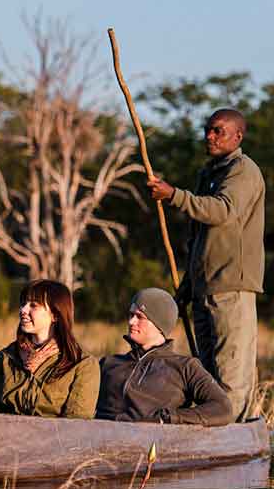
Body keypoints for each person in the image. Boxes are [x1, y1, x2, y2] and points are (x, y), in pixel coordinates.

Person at [147, 108, 265, 422]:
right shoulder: (208, 174)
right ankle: (209, 432)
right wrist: (187, 287)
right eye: (207, 130)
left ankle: (233, 438)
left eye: (218, 131)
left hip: (231, 289)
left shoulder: (243, 171)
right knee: (206, 375)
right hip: (203, 290)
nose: (209, 137)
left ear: (238, 136)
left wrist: (173, 195)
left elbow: (223, 211)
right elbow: (201, 238)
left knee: (230, 373)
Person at [95, 288, 232, 425]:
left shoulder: (185, 367)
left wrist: (167, 418)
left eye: (139, 316)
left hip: (150, 444)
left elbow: (223, 408)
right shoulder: (108, 363)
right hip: (99, 442)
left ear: (159, 324)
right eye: (131, 315)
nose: (131, 322)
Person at [0, 279, 99, 418]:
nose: (23, 310)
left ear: (55, 315)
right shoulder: (6, 358)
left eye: (33, 305)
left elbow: (75, 426)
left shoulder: (82, 365)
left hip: (54, 439)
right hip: (7, 437)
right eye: (23, 303)